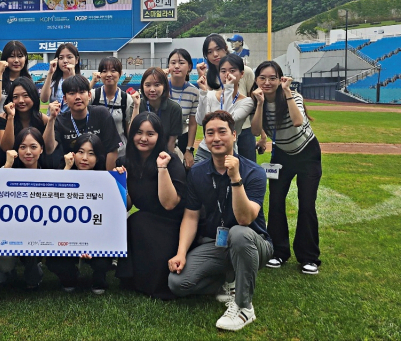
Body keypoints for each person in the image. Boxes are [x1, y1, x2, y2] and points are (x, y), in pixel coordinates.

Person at [168, 111, 272, 332]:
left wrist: (235, 178)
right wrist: (181, 252)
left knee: (239, 233)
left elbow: (245, 219)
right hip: (217, 244)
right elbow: (191, 215)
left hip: (253, 243)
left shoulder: (253, 172)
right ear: (204, 139)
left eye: (222, 132)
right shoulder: (197, 172)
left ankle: (244, 307)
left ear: (234, 135)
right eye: (210, 133)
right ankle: (228, 279)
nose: (216, 138)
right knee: (177, 283)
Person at [251, 61, 322, 275]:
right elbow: (255, 130)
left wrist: (288, 92)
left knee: (307, 204)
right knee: (275, 202)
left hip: (308, 153)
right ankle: (278, 252)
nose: (267, 82)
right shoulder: (258, 101)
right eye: (262, 77)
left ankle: (309, 257)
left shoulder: (293, 97)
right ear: (256, 80)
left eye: (273, 77)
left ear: (280, 79)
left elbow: (298, 121)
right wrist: (261, 104)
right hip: (281, 154)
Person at [114, 112, 186, 299]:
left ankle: (153, 282)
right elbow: (127, 206)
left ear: (159, 136)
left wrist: (162, 168)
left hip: (173, 222)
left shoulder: (171, 160)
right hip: (145, 219)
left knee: (140, 222)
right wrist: (121, 185)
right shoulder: (124, 161)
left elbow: (170, 204)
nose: (143, 138)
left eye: (150, 134)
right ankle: (131, 279)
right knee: (134, 220)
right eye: (138, 132)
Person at [47, 133, 112, 294]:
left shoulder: (105, 180)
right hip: (66, 235)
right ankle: (70, 276)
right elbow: (53, 202)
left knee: (102, 260)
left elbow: (109, 217)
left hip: (95, 234)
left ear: (98, 157)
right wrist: (68, 168)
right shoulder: (62, 171)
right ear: (73, 154)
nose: (84, 158)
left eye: (91, 154)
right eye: (80, 152)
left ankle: (99, 278)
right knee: (54, 261)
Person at [197, 34, 265, 162]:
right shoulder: (209, 75)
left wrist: (263, 135)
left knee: (247, 170)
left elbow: (255, 104)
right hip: (220, 130)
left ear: (225, 48)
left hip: (243, 129)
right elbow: (206, 111)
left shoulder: (246, 71)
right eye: (210, 52)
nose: (215, 54)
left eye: (218, 49)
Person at [0, 127, 45, 289]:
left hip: (37, 232)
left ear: (41, 149)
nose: (28, 152)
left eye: (33, 147)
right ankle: (6, 271)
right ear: (16, 150)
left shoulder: (49, 173)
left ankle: (33, 268)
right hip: (8, 232)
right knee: (5, 265)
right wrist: (8, 165)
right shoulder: (8, 171)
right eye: (22, 147)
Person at [44, 75, 121, 170]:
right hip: (71, 175)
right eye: (72, 93)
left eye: (81, 92)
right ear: (65, 99)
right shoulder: (60, 120)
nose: (77, 97)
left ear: (89, 95)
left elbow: (112, 150)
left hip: (99, 175)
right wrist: (51, 119)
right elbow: (49, 149)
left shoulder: (101, 114)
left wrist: (109, 177)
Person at [194, 55, 254, 163]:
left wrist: (229, 88)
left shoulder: (247, 102)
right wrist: (203, 93)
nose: (227, 74)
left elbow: (227, 121)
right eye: (223, 71)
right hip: (205, 151)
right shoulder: (211, 95)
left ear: (241, 74)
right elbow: (200, 120)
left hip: (228, 152)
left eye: (232, 70)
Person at [0, 77, 49, 168]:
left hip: (32, 168)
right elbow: (6, 147)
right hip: (4, 167)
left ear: (33, 96)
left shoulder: (43, 120)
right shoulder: (2, 118)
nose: (21, 101)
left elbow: (47, 149)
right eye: (15, 97)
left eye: (25, 95)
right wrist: (10, 117)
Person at [89, 57, 133, 158]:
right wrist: (92, 82)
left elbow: (127, 128)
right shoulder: (93, 95)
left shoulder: (126, 99)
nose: (109, 74)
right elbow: (79, 100)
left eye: (113, 71)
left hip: (120, 152)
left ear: (120, 73)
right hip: (95, 152)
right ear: (100, 74)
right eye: (104, 71)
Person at [130, 67, 182, 152]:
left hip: (165, 153)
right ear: (142, 87)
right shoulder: (137, 104)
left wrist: (165, 160)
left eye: (157, 85)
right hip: (141, 153)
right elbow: (131, 134)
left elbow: (171, 142)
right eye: (148, 85)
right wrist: (136, 106)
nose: (152, 89)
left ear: (164, 86)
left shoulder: (174, 108)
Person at [166, 48, 199, 169]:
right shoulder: (160, 87)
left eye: (181, 62)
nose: (176, 66)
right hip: (160, 137)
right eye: (173, 62)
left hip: (181, 139)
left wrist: (189, 150)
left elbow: (192, 124)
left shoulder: (194, 92)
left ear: (189, 67)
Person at [0, 40, 30, 118]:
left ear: (25, 58)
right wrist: (0, 73)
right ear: (5, 59)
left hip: (18, 125)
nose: (16, 60)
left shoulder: (28, 81)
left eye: (20, 56)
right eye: (12, 56)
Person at [40, 42, 81, 114]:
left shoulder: (83, 81)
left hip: (72, 122)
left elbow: (80, 100)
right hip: (54, 121)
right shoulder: (54, 81)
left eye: (69, 57)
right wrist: (50, 73)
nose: (65, 61)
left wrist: (73, 76)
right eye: (61, 58)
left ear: (76, 60)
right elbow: (44, 99)